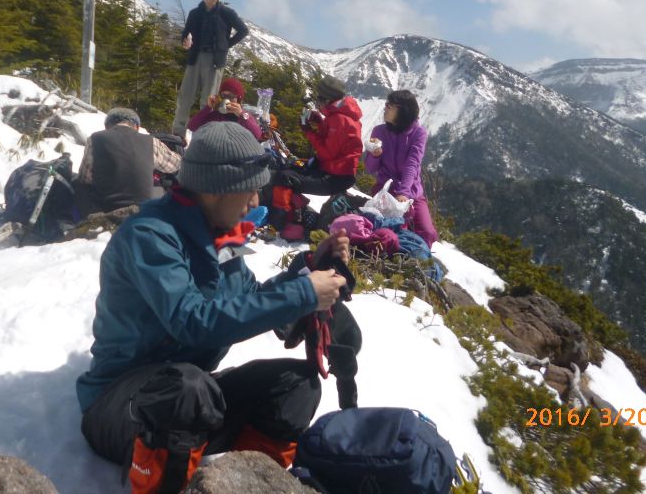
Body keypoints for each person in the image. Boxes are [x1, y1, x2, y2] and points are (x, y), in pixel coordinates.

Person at [76, 122, 350, 494]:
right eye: (250, 190)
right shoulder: (150, 236)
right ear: (216, 188)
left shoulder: (218, 236)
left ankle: (244, 483)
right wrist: (302, 294)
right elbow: (191, 323)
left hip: (188, 402)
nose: (256, 202)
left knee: (297, 386)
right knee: (187, 389)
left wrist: (307, 271)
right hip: (122, 408)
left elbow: (251, 297)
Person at [172, 0, 249, 138]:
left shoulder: (227, 13)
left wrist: (226, 45)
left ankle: (204, 136)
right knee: (185, 97)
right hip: (195, 58)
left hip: (215, 61)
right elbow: (186, 33)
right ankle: (177, 135)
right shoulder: (195, 13)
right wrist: (185, 42)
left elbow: (243, 31)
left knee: (208, 102)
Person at [363, 89, 439, 248]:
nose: (385, 108)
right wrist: (374, 155)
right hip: (385, 190)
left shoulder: (418, 133)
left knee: (427, 232)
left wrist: (404, 192)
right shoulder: (379, 131)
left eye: (389, 105)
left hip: (411, 192)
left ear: (402, 110)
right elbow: (370, 169)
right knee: (394, 230)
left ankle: (419, 260)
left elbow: (413, 163)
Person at [74, 108, 181, 219]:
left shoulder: (95, 139)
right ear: (137, 127)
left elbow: (84, 179)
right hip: (141, 212)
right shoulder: (151, 141)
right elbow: (175, 165)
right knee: (159, 188)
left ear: (107, 126)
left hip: (105, 211)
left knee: (78, 183)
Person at [186, 77, 263, 141]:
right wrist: (208, 107)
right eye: (223, 95)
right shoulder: (215, 115)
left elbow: (257, 135)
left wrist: (241, 114)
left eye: (231, 96)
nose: (226, 99)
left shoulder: (244, 116)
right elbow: (192, 126)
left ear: (238, 99)